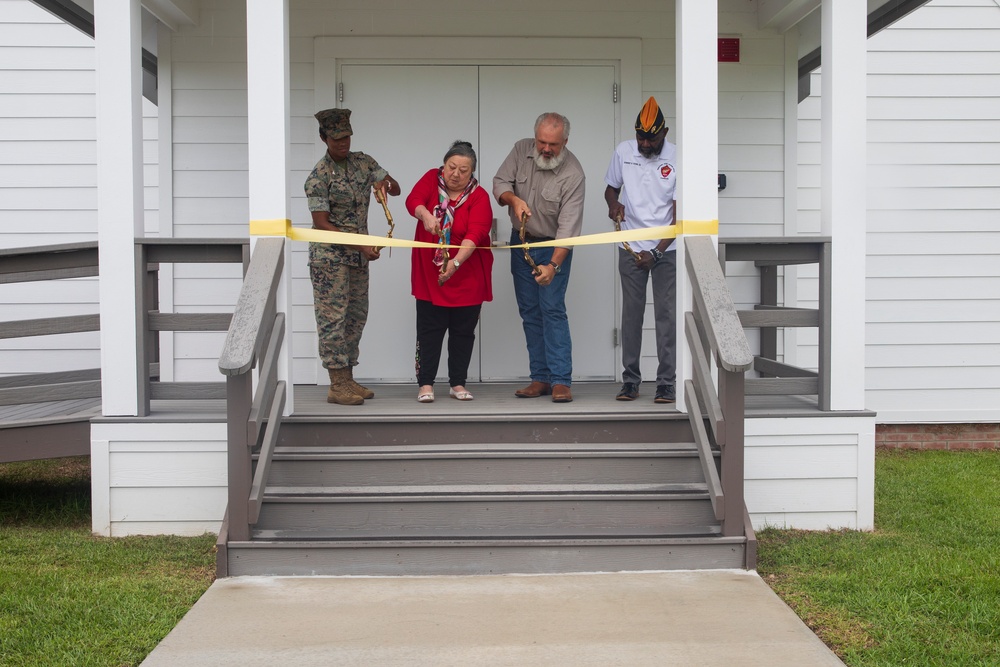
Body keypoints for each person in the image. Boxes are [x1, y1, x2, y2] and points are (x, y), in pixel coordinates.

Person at [305, 108, 400, 405]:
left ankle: (347, 378)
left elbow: (395, 188)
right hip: (329, 259)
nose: (343, 143)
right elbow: (322, 223)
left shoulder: (363, 162)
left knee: (356, 317)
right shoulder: (318, 177)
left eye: (346, 136)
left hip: (358, 257)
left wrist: (385, 185)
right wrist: (361, 245)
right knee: (332, 319)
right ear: (324, 138)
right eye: (336, 138)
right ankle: (336, 383)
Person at [492, 112, 585, 403]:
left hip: (554, 247)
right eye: (541, 141)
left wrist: (553, 265)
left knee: (552, 309)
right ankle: (540, 378)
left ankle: (561, 381)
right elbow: (499, 183)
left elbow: (568, 230)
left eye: (553, 144)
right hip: (521, 245)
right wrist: (514, 199)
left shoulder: (574, 174)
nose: (545, 148)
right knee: (530, 312)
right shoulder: (521, 149)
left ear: (565, 142)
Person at [405, 141, 494, 403]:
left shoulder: (480, 196)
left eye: (463, 170)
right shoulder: (430, 180)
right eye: (451, 167)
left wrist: (454, 263)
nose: (455, 174)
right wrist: (425, 216)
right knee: (429, 329)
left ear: (472, 173)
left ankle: (458, 382)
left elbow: (476, 233)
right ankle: (426, 384)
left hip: (467, 274)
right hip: (430, 274)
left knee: (463, 332)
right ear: (443, 165)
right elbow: (414, 201)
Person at [603, 96, 677, 404]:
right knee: (631, 316)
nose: (645, 143)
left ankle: (666, 383)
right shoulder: (624, 151)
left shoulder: (678, 157)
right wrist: (613, 205)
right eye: (640, 137)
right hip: (630, 247)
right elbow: (611, 188)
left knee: (666, 316)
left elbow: (678, 211)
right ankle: (630, 381)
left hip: (667, 250)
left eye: (652, 137)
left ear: (665, 132)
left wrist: (657, 252)